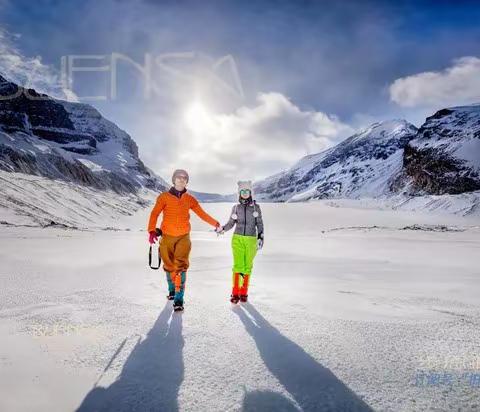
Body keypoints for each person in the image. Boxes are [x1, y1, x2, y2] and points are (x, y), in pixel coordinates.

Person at [148, 169, 220, 311]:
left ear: (187, 181)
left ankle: (179, 300)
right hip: (167, 237)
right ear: (173, 180)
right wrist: (151, 230)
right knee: (169, 266)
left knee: (180, 267)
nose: (181, 179)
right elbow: (155, 213)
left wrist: (216, 224)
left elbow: (202, 214)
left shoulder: (190, 199)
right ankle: (172, 291)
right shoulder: (163, 197)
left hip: (183, 237)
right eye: (178, 177)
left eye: (184, 178)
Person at [216, 180, 264, 303]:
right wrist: (223, 229)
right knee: (238, 266)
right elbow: (231, 223)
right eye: (242, 191)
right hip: (237, 239)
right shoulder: (236, 208)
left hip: (251, 240)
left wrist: (260, 236)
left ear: (250, 192)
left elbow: (259, 223)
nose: (245, 193)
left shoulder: (256, 207)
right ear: (239, 193)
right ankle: (235, 293)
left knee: (247, 266)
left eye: (247, 191)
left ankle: (244, 292)